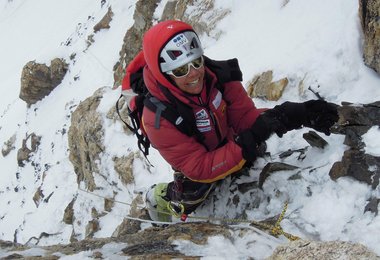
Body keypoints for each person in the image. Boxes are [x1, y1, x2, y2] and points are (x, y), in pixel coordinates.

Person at [136, 20, 338, 222]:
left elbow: (244, 117)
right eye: (181, 70)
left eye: (197, 61)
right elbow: (198, 166)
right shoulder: (158, 118)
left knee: (253, 152)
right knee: (191, 198)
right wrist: (243, 146)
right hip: (196, 163)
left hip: (227, 138)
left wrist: (292, 115)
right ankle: (159, 197)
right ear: (164, 75)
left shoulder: (219, 77)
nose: (195, 73)